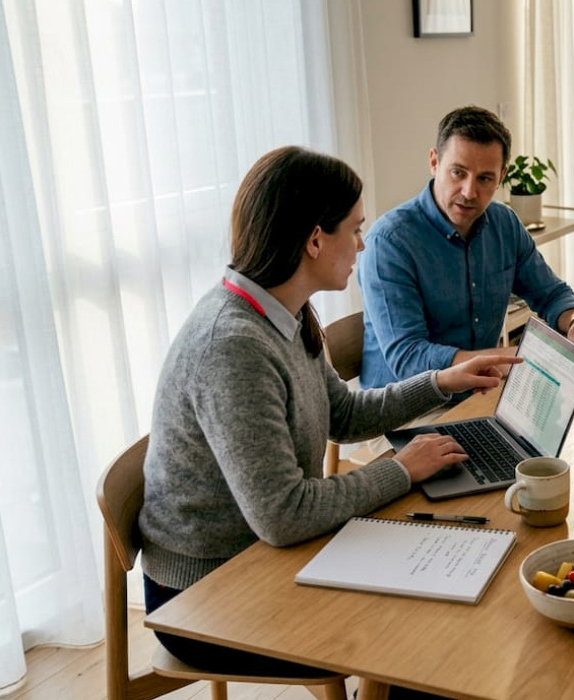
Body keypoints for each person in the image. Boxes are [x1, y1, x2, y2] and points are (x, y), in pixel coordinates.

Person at [138, 146, 519, 697]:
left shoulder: (283, 307)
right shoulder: (233, 348)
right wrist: (402, 471)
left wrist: (443, 381)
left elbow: (342, 413)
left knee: (452, 599)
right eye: (356, 229)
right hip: (210, 592)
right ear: (315, 239)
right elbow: (284, 516)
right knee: (424, 635)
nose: (363, 244)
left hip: (261, 553)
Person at [358, 105, 574, 390]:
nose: (469, 192)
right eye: (458, 172)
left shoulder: (504, 223)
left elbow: (551, 293)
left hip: (480, 393)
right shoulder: (389, 243)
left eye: (485, 178)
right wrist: (509, 359)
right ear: (434, 162)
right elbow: (409, 358)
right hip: (406, 412)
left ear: (501, 176)